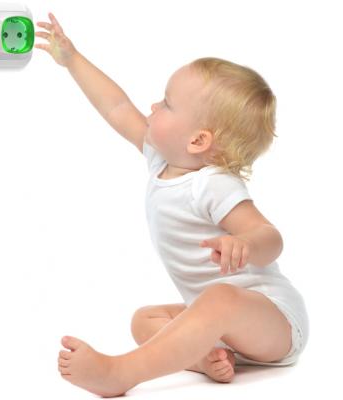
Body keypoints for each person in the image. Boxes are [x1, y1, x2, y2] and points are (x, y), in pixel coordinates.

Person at [35, 12, 309, 397]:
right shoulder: (161, 160)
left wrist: (246, 244)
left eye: (166, 103)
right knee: (144, 320)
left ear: (197, 141)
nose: (152, 106)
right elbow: (117, 107)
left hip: (274, 321)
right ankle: (205, 358)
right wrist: (72, 59)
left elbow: (271, 237)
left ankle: (120, 373)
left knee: (218, 298)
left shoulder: (213, 184)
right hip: (225, 326)